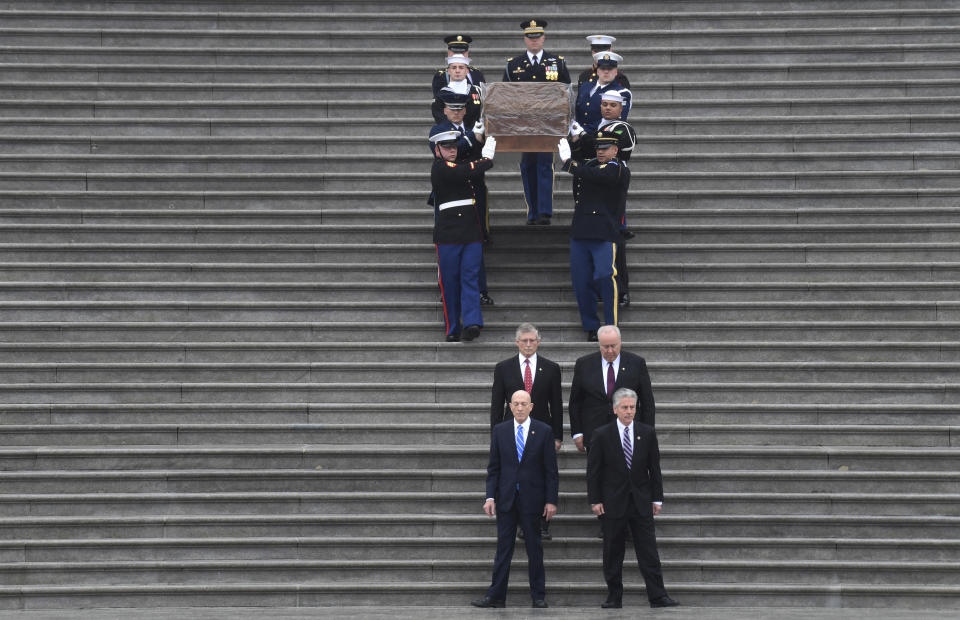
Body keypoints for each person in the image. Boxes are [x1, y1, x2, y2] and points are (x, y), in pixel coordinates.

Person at [587, 387, 679, 609]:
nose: (629, 412)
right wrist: (595, 499)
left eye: (632, 407)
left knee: (648, 550)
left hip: (640, 501)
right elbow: (594, 471)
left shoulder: (647, 433)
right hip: (612, 502)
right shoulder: (601, 434)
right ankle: (614, 596)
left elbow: (654, 468)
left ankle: (658, 596)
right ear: (615, 409)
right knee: (612, 551)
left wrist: (657, 498)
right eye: (625, 408)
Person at [471, 389, 559, 609]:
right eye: (516, 404)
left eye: (524, 404)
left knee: (534, 549)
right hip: (506, 499)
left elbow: (551, 471)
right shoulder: (500, 431)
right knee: (503, 549)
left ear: (531, 407)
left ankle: (538, 596)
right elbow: (494, 468)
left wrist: (551, 500)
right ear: (510, 406)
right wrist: (490, 496)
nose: (520, 408)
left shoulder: (544, 431)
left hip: (533, 500)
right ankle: (496, 596)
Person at [490, 322, 563, 539]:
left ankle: (542, 524)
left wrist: (557, 435)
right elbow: (496, 404)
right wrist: (495, 433)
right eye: (524, 341)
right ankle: (517, 520)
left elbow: (557, 405)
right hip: (511, 432)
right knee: (515, 475)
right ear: (517, 343)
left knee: (540, 475)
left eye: (532, 340)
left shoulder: (551, 368)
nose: (529, 345)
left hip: (542, 433)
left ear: (538, 342)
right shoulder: (504, 368)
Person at [557, 131, 629, 339]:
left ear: (615, 150)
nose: (600, 151)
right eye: (598, 148)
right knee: (581, 281)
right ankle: (590, 325)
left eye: (605, 148)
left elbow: (600, 177)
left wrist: (570, 164)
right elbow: (582, 181)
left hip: (604, 231)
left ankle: (611, 325)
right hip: (581, 230)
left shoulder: (617, 168)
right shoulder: (589, 166)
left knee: (605, 276)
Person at [570, 89, 637, 307]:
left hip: (610, 186)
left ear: (621, 108)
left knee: (614, 240)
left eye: (612, 105)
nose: (607, 108)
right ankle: (599, 288)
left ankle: (622, 290)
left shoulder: (621, 127)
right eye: (604, 104)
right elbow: (583, 150)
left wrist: (581, 137)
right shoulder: (596, 127)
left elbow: (603, 144)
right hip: (589, 182)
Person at [429, 129, 496, 342]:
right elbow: (463, 172)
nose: (452, 151)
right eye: (447, 147)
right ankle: (452, 328)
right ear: (437, 150)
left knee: (470, 277)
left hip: (470, 231)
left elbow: (469, 171)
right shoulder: (440, 168)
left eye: (454, 147)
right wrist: (486, 159)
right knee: (449, 282)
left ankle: (472, 322)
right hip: (448, 234)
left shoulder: (460, 165)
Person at [502, 19, 570, 226]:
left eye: (537, 37)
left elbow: (566, 91)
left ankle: (545, 211)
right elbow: (505, 94)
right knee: (527, 165)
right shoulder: (513, 64)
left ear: (543, 38)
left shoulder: (557, 62)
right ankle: (532, 211)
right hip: (523, 125)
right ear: (525, 39)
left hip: (548, 124)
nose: (534, 41)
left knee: (544, 165)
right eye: (530, 38)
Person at [430, 90, 494, 305]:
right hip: (448, 196)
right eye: (452, 109)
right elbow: (445, 151)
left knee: (476, 242)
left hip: (473, 191)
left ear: (466, 111)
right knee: (447, 246)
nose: (456, 113)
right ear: (445, 110)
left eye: (460, 109)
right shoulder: (438, 131)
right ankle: (446, 290)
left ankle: (480, 290)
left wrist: (480, 138)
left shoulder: (472, 127)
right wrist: (472, 139)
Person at [568, 325, 655, 453]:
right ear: (599, 344)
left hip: (628, 431)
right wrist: (577, 432)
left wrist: (647, 432)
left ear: (620, 342)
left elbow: (647, 402)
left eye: (613, 346)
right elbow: (575, 402)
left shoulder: (636, 363)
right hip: (594, 431)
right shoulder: (584, 364)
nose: (610, 351)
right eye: (605, 346)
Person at [575, 51, 631, 132]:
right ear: (597, 70)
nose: (606, 71)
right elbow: (576, 112)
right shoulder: (585, 86)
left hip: (601, 139)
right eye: (602, 68)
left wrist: (582, 132)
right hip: (577, 139)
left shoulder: (622, 92)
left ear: (616, 72)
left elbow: (615, 121)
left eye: (610, 69)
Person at [430, 54, 483, 126]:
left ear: (467, 71)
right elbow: (440, 118)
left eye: (461, 68)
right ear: (448, 71)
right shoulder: (441, 94)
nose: (457, 71)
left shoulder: (477, 91)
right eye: (454, 68)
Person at [432, 34, 485, 99]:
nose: (459, 55)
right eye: (455, 52)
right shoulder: (441, 76)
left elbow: (483, 98)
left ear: (467, 52)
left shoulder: (477, 74)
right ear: (448, 52)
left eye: (462, 52)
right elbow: (437, 102)